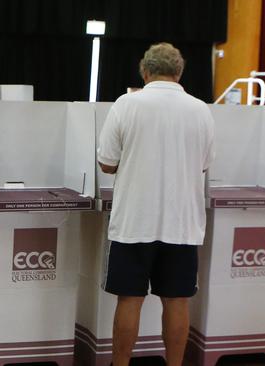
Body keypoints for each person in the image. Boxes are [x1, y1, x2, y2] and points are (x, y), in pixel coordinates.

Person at [97, 43, 215, 366]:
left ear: (145, 71)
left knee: (129, 300)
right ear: (179, 72)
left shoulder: (126, 105)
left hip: (135, 220)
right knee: (177, 301)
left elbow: (106, 163)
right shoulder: (200, 110)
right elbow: (204, 164)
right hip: (182, 223)